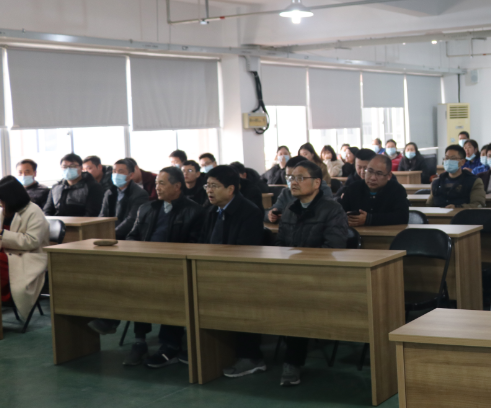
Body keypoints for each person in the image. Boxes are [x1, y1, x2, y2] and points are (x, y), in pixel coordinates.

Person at [224, 161, 347, 386]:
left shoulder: (332, 209)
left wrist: (298, 262)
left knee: (296, 301)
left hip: (320, 276)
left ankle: (293, 362)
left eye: (301, 178)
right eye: (291, 179)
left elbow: (333, 248)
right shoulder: (290, 210)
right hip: (291, 272)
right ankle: (251, 355)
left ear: (317, 182)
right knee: (245, 293)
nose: (294, 182)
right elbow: (281, 243)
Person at [87, 167, 205, 367]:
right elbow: (133, 236)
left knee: (153, 286)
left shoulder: (194, 211)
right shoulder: (147, 208)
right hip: (146, 263)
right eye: (156, 182)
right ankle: (138, 340)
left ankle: (168, 345)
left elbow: (195, 244)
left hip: (176, 267)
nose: (157, 187)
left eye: (162, 183)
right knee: (128, 277)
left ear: (177, 186)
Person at [0, 176, 50, 324]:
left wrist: (3, 235)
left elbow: (31, 242)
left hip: (28, 256)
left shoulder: (34, 211)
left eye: (2, 200)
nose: (1, 203)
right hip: (9, 254)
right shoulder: (5, 211)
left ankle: (6, 296)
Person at [341, 155, 409, 227]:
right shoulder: (353, 188)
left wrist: (369, 219)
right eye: (370, 171)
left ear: (389, 176)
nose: (373, 178)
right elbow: (339, 212)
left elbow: (402, 217)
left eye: (379, 173)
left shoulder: (397, 190)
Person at [99, 159, 150, 240]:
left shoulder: (140, 194)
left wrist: (112, 234)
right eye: (114, 171)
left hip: (127, 237)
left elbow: (132, 219)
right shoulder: (109, 192)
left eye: (121, 171)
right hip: (109, 235)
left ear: (131, 175)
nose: (116, 174)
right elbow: (102, 215)